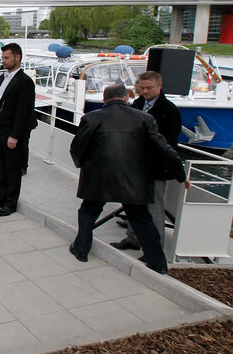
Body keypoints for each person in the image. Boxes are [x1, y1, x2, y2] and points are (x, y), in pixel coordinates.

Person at [69, 84, 189, 274]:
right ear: (126, 98)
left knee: (88, 211)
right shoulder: (145, 118)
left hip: (100, 177)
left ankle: (81, 249)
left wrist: (82, 165)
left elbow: (77, 148)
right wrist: (181, 175)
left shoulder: (91, 118)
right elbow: (165, 149)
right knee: (142, 219)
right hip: (135, 180)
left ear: (104, 100)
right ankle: (158, 263)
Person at [111, 71, 182, 255]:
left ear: (159, 86)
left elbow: (169, 143)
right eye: (142, 88)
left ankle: (153, 248)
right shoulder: (138, 103)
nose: (145, 91)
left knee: (154, 209)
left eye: (149, 88)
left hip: (155, 168)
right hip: (135, 165)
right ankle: (133, 238)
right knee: (133, 204)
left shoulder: (170, 111)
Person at [0, 43, 36, 217]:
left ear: (17, 57)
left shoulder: (25, 82)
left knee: (13, 168)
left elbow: (24, 112)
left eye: (6, 57)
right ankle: (0, 197)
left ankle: (10, 203)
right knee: (2, 165)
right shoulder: (1, 78)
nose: (3, 61)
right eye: (3, 57)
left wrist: (15, 135)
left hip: (12, 131)